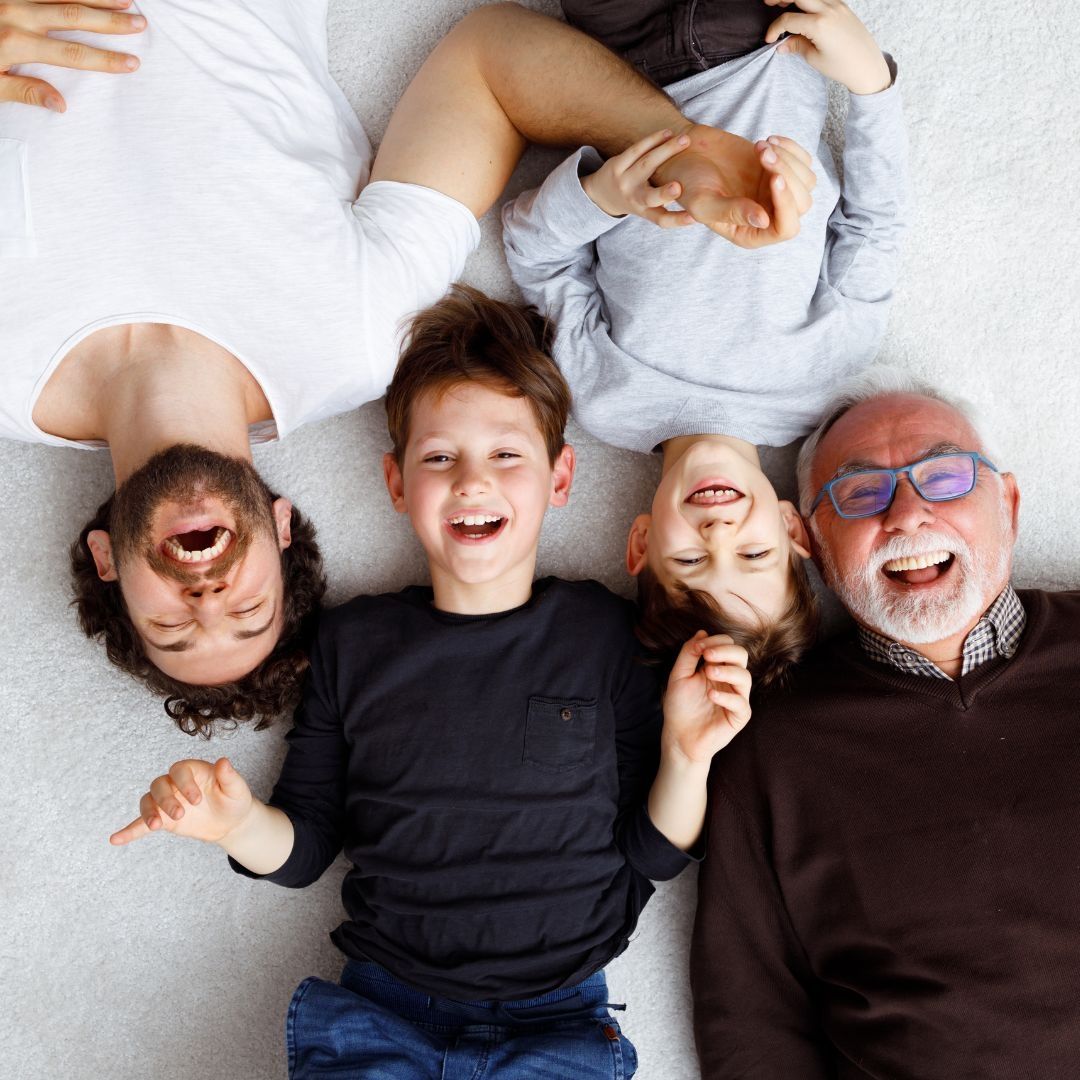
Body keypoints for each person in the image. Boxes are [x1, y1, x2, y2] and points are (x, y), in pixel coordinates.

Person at [0, 0, 809, 729]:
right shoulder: (353, 338)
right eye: (248, 611)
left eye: (173, 624)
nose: (208, 599)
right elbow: (491, 62)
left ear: (109, 562)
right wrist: (681, 152)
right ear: (281, 536)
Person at [109, 286, 755, 1079]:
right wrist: (236, 822)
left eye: (507, 455)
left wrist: (688, 756)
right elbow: (308, 846)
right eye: (439, 457)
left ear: (561, 478)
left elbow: (653, 852)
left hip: (559, 1018)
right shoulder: (354, 643)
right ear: (396, 483)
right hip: (385, 1011)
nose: (471, 481)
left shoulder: (603, 633)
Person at [501, 0, 908, 685]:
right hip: (764, 41)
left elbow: (535, 256)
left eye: (689, 562)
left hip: (618, 82)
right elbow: (875, 226)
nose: (718, 538)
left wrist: (603, 194)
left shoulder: (605, 402)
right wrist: (870, 82)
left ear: (639, 544)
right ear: (793, 530)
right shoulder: (822, 386)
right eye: (753, 556)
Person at [690, 366, 1080, 1078]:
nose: (905, 515)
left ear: (1011, 506)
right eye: (862, 492)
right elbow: (748, 1019)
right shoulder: (769, 745)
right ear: (808, 539)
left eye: (946, 478)